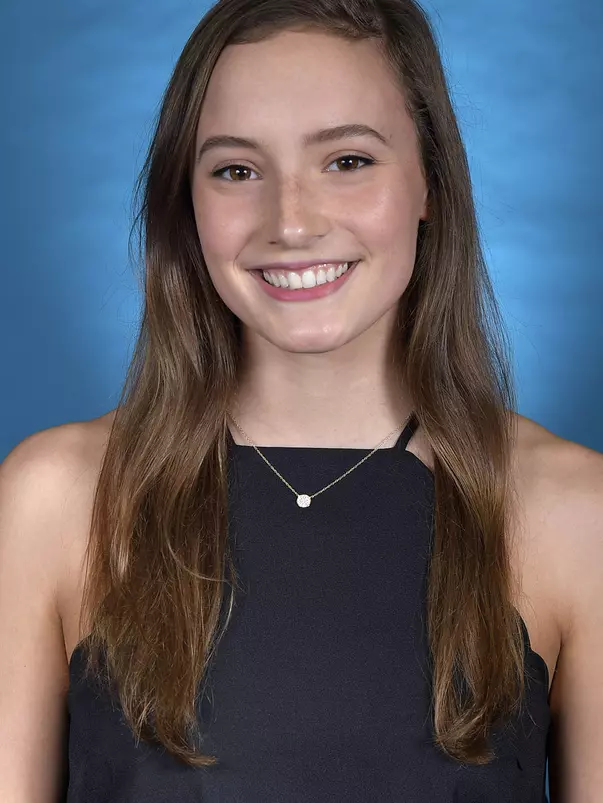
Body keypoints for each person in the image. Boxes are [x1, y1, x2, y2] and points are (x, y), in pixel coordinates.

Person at [0, 0, 601, 800]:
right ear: (187, 204)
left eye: (347, 160)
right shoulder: (55, 499)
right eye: (236, 170)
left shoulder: (574, 514)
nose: (290, 221)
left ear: (428, 181)